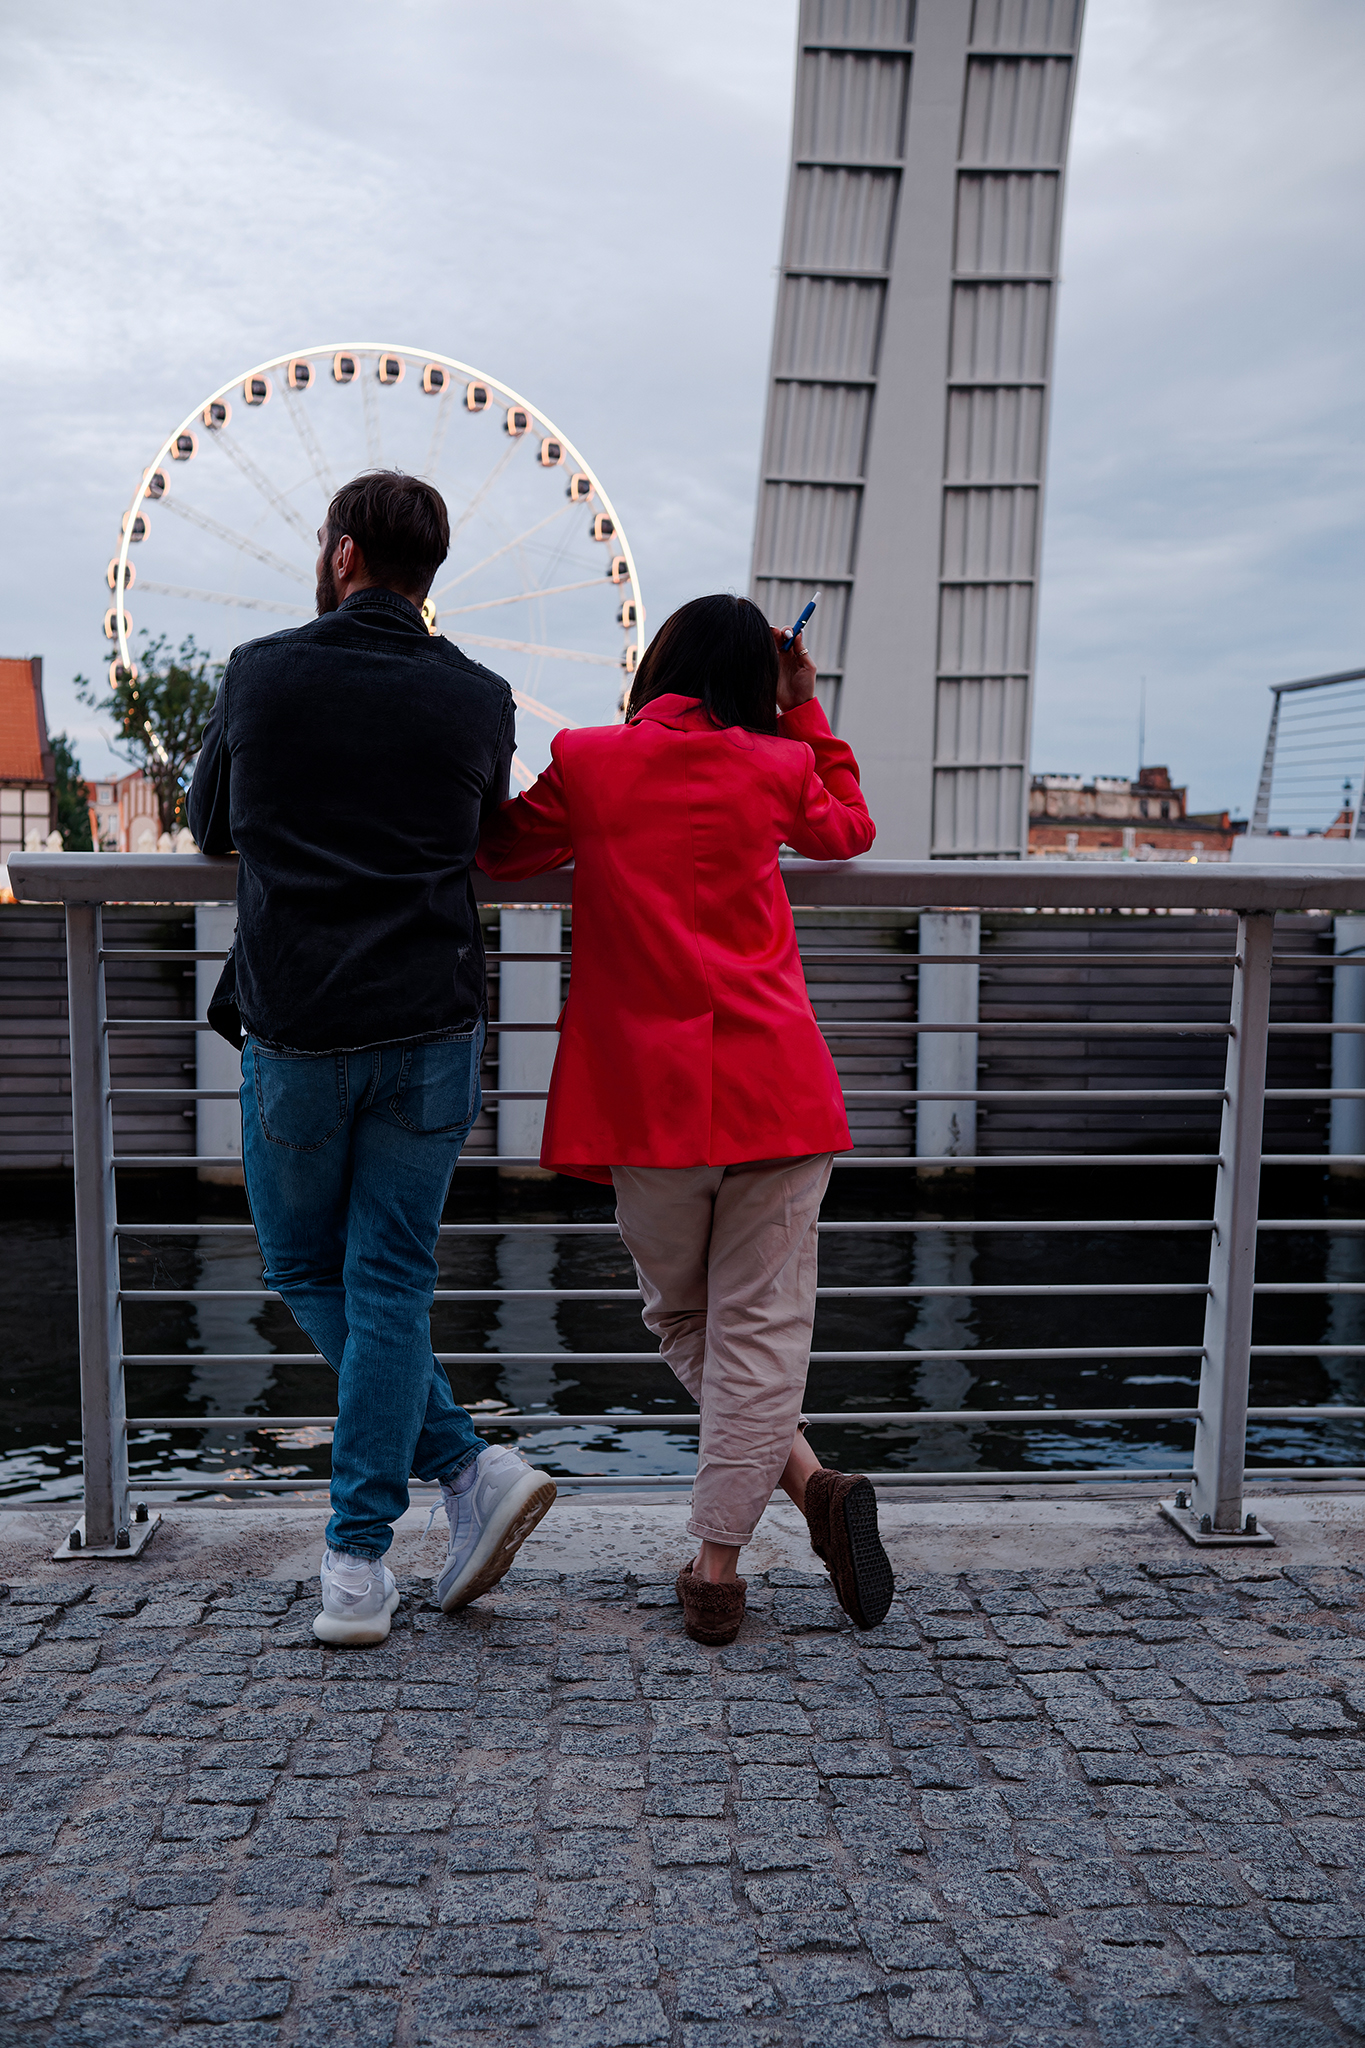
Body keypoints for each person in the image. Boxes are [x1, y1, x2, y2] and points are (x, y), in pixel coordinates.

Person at [477, 593, 894, 1645]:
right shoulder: (778, 763)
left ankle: (727, 1563)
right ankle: (780, 1513)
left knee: (684, 1319)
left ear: (658, 662)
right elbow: (848, 829)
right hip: (777, 1086)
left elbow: (500, 853)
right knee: (758, 1328)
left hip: (647, 1100)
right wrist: (806, 711)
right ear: (757, 678)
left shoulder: (591, 756)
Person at [189, 470, 556, 1646]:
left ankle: (380, 1546)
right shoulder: (481, 696)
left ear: (343, 555)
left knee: (306, 1265)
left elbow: (210, 826)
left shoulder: (261, 672)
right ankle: (418, 1506)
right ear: (426, 570)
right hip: (432, 1021)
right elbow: (477, 834)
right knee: (391, 1278)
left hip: (300, 1023)